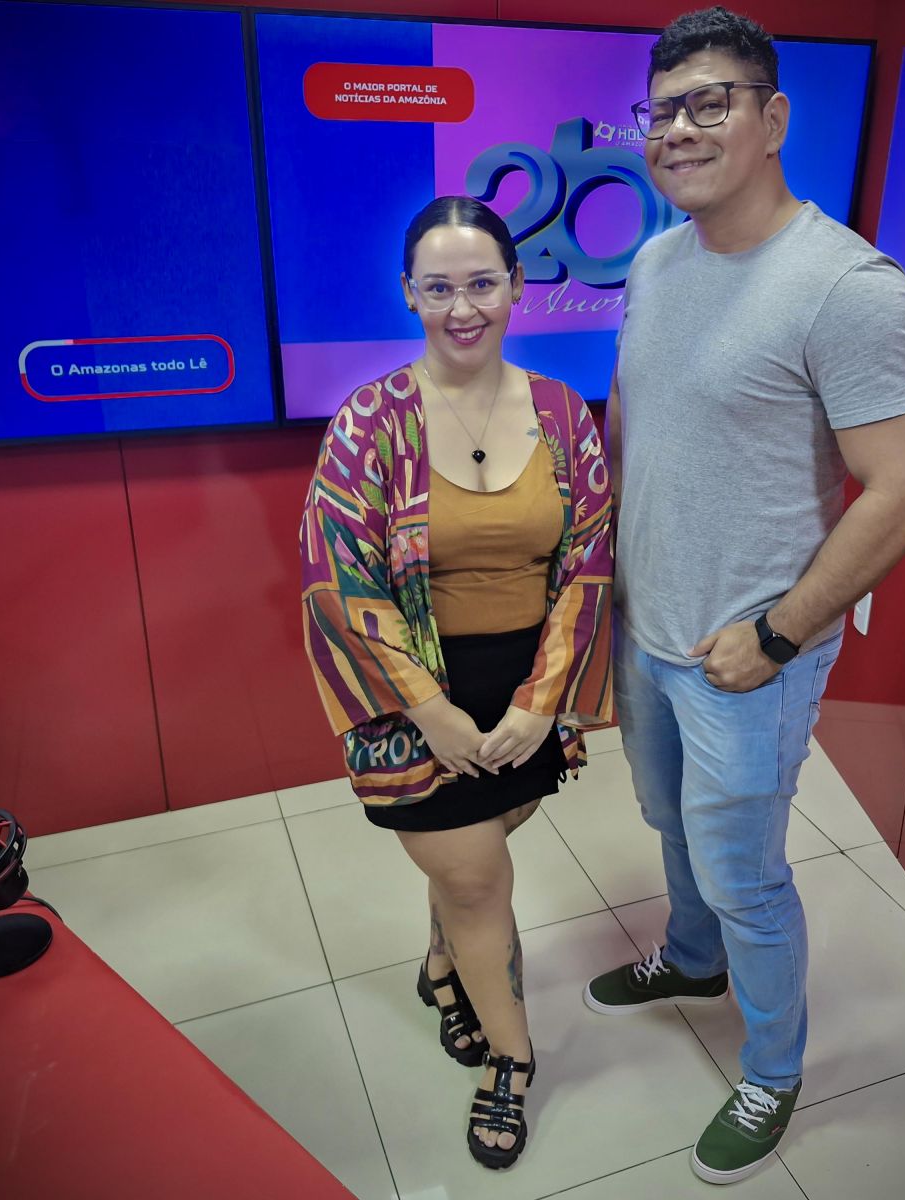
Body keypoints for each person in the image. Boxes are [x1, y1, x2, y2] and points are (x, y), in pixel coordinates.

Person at [581, 6, 905, 1186]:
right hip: (648, 628)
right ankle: (691, 959)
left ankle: (774, 1068)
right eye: (661, 110)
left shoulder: (847, 287)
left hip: (749, 656)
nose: (678, 129)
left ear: (774, 117)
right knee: (670, 823)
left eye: (710, 101)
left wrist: (778, 636)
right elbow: (636, 421)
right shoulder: (655, 261)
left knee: (746, 872)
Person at [300, 196, 614, 1171]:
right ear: (409, 295)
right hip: (410, 694)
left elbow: (589, 563)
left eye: (481, 283)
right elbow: (338, 583)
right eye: (438, 288)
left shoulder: (563, 413)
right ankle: (512, 1061)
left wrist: (539, 703)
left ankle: (444, 965)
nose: (462, 307)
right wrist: (429, 712)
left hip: (526, 689)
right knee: (476, 878)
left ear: (516, 287)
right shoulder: (368, 423)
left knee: (476, 853)